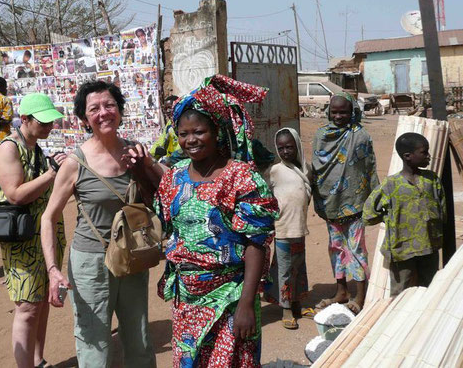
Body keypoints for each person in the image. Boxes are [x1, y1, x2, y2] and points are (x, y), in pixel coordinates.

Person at [155, 75, 279, 367]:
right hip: (187, 297)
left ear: (217, 132)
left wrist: (248, 303)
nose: (190, 140)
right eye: (183, 134)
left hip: (231, 295)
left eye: (199, 131)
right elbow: (168, 225)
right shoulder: (174, 176)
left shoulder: (240, 177)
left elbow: (255, 243)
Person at [41, 81, 157, 368]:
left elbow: (166, 187)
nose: (104, 113)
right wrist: (53, 271)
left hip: (132, 256)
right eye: (94, 109)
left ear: (119, 110)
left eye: (110, 105)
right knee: (94, 342)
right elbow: (48, 217)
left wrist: (146, 166)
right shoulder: (75, 163)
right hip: (90, 263)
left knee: (139, 337)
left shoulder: (135, 152)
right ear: (84, 119)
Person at [0, 94, 66, 368]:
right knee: (26, 307)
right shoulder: (8, 149)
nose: (49, 127)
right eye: (43, 122)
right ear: (24, 119)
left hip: (43, 236)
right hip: (22, 240)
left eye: (51, 122)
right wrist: (50, 174)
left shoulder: (34, 147)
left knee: (43, 302)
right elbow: (14, 195)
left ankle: (37, 359)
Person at [312, 93, 379, 315]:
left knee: (357, 249)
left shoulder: (361, 136)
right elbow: (316, 168)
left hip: (354, 203)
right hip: (329, 203)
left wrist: (375, 198)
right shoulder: (321, 135)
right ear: (328, 112)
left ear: (352, 112)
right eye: (335, 112)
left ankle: (360, 295)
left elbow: (369, 167)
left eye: (344, 112)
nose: (339, 116)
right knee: (336, 248)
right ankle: (341, 291)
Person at [363, 133, 445, 296]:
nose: (429, 156)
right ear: (408, 156)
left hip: (429, 248)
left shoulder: (432, 180)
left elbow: (442, 211)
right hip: (402, 249)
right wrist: (391, 218)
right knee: (401, 293)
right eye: (424, 152)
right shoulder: (391, 184)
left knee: (429, 290)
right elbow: (369, 214)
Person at [263, 128, 312, 329]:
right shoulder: (275, 171)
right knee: (284, 270)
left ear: (297, 146)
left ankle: (298, 303)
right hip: (283, 228)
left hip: (299, 228)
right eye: (281, 148)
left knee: (299, 268)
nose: (285, 152)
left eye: (289, 147)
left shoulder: (304, 170)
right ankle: (286, 309)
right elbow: (264, 193)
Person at [149, 95, 183, 165]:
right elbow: (161, 142)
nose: (167, 111)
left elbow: (182, 148)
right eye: (165, 109)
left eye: (170, 108)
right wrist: (149, 157)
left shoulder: (184, 123)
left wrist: (168, 161)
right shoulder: (170, 124)